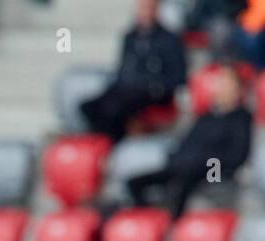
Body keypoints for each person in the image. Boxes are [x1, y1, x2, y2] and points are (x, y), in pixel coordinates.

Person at [126, 65, 251, 219]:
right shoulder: (206, 117)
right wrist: (176, 160)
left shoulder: (241, 118)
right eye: (219, 82)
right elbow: (185, 144)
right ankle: (148, 222)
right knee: (136, 182)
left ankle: (174, 225)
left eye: (226, 82)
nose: (221, 87)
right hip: (187, 166)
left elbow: (237, 155)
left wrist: (205, 162)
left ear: (237, 89)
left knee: (183, 181)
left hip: (215, 170)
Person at [81, 0, 187, 141]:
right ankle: (101, 142)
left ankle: (113, 143)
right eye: (142, 8)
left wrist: (154, 85)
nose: (145, 12)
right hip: (126, 89)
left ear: (157, 10)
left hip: (151, 93)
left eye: (149, 8)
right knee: (89, 106)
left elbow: (178, 77)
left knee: (114, 108)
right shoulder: (130, 37)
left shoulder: (170, 40)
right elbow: (123, 69)